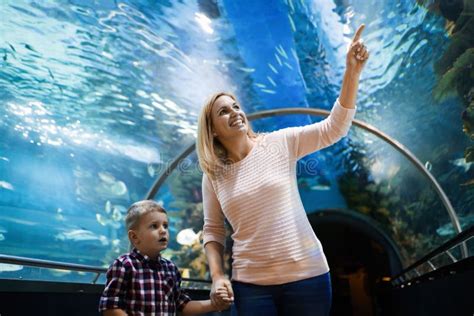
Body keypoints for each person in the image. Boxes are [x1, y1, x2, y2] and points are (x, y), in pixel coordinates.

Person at [196, 24, 369, 315]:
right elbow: (213, 231)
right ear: (212, 131)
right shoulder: (213, 174)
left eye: (236, 106)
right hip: (251, 286)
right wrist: (217, 276)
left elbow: (335, 128)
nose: (235, 113)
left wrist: (352, 71)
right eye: (223, 111)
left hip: (308, 276)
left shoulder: (279, 143)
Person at [99, 200, 233, 315]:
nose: (163, 230)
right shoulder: (124, 265)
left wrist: (214, 304)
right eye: (154, 226)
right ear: (134, 237)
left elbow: (182, 306)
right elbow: (110, 306)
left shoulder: (170, 269)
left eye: (165, 225)